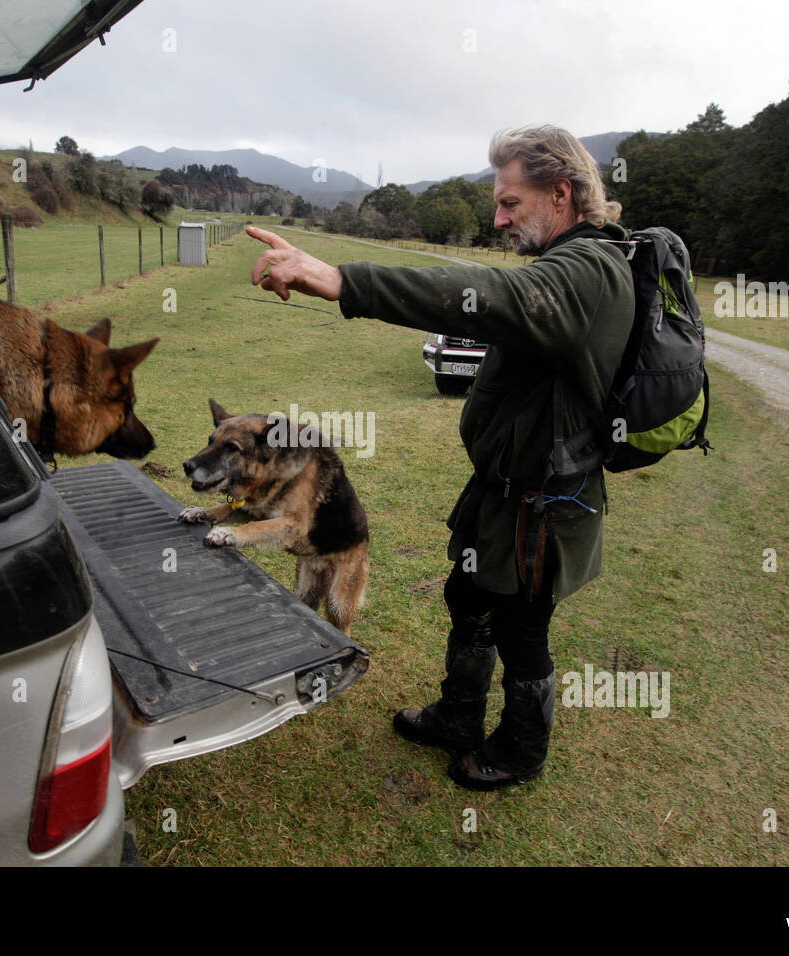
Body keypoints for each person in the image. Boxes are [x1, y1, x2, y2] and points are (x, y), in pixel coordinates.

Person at [247, 125, 635, 790]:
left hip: (546, 503)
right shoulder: (566, 266)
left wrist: (346, 281)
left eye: (512, 203)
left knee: (522, 629)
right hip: (504, 492)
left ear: (563, 193)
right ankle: (459, 718)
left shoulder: (589, 272)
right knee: (467, 594)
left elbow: (489, 295)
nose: (498, 217)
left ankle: (521, 748)